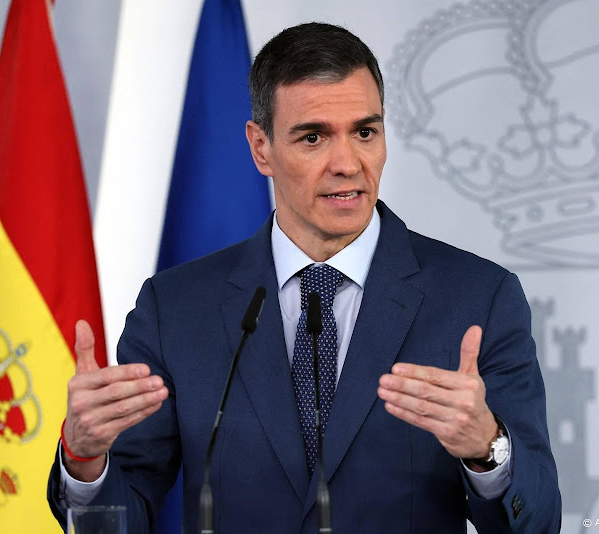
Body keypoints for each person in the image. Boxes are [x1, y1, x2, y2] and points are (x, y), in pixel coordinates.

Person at [47, 22, 561, 533]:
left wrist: (488, 448)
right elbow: (122, 517)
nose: (347, 164)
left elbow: (537, 521)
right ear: (261, 148)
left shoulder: (478, 298)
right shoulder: (176, 308)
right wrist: (84, 460)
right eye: (313, 137)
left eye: (365, 132)